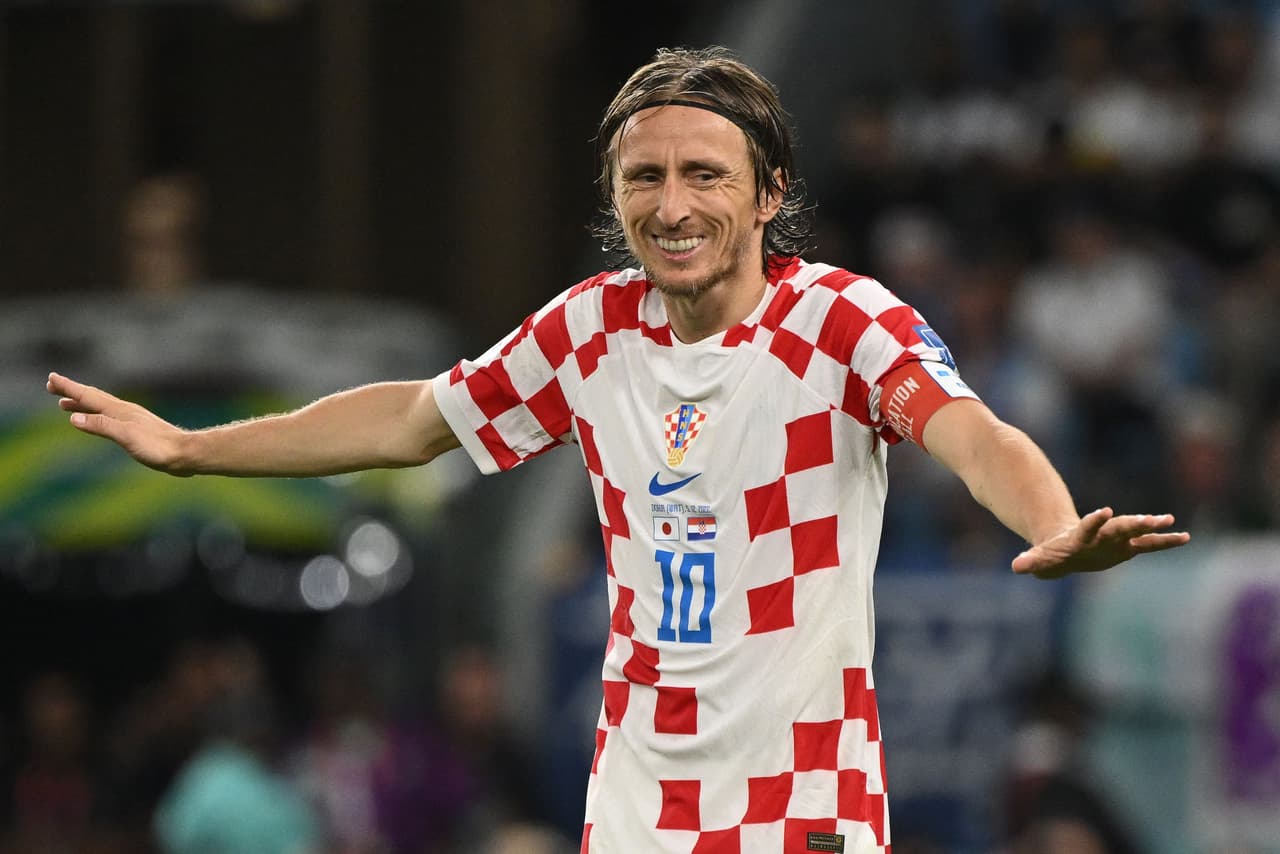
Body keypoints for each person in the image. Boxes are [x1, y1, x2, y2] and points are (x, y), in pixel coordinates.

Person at [47, 46, 1189, 854]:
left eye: (704, 174)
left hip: (800, 797)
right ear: (614, 194)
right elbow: (410, 418)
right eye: (644, 175)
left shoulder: (840, 321)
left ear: (767, 194)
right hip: (636, 797)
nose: (672, 201)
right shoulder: (590, 327)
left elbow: (971, 434)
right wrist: (196, 448)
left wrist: (1049, 522)